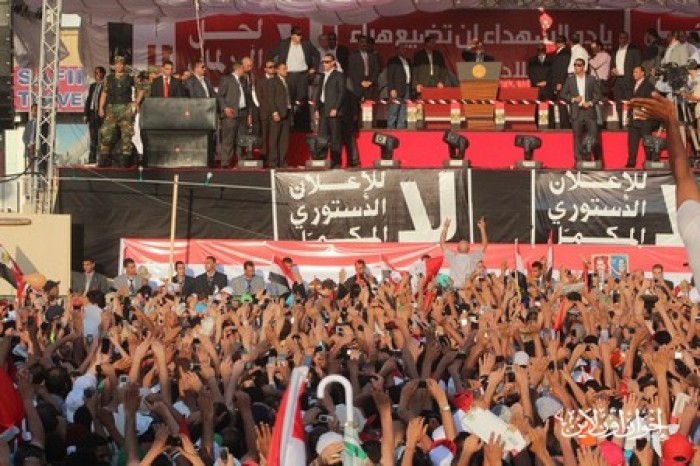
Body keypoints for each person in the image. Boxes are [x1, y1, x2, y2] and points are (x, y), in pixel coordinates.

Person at [631, 93, 700, 288]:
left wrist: (670, 122)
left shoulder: (695, 230)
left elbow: (683, 176)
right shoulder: (695, 230)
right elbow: (683, 176)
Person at [268, 26, 319, 132]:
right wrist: (276, 68)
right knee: (289, 99)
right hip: (289, 75)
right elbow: (271, 53)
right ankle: (289, 125)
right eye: (297, 35)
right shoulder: (284, 44)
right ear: (292, 36)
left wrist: (314, 68)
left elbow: (317, 54)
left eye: (301, 35)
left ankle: (303, 126)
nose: (300, 37)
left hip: (302, 75)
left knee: (302, 101)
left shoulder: (306, 44)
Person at [98, 56, 142, 168]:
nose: (119, 66)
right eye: (117, 64)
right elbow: (104, 94)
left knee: (126, 136)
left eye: (121, 64)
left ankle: (125, 161)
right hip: (111, 109)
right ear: (114, 66)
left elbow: (141, 90)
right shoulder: (109, 78)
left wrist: (136, 102)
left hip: (125, 109)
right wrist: (101, 108)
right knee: (106, 134)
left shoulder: (130, 78)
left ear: (124, 65)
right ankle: (104, 160)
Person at [562, 58, 602, 163]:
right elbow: (563, 95)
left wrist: (590, 103)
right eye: (575, 65)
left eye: (578, 65)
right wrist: (573, 99)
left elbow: (599, 94)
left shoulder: (591, 79)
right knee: (577, 137)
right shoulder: (570, 80)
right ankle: (578, 161)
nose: (576, 67)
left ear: (584, 67)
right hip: (576, 112)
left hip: (589, 111)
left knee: (594, 136)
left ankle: (597, 159)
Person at [439, 216, 488, 288]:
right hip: (467, 288)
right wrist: (482, 228)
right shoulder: (473, 258)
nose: (463, 242)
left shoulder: (453, 258)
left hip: (456, 288)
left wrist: (445, 228)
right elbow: (484, 245)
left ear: (457, 249)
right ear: (469, 249)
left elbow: (442, 244)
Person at [315, 53, 345, 168]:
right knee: (322, 136)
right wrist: (316, 109)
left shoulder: (339, 75)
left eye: (327, 62)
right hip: (323, 109)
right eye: (323, 62)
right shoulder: (322, 76)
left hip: (333, 110)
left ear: (333, 63)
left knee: (335, 137)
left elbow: (341, 93)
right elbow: (319, 93)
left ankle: (335, 162)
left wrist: (336, 108)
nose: (324, 64)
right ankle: (322, 160)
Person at [217, 61, 249, 168]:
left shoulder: (242, 80)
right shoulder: (226, 79)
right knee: (228, 139)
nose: (244, 71)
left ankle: (240, 160)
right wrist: (225, 108)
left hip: (242, 112)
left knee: (241, 139)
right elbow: (220, 96)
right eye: (243, 68)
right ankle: (225, 163)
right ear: (238, 69)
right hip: (230, 113)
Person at [262, 62, 292, 169]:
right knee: (274, 139)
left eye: (286, 68)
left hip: (286, 112)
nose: (286, 71)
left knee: (284, 139)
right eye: (284, 69)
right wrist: (274, 112)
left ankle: (282, 161)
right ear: (277, 70)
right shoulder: (272, 81)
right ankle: (273, 162)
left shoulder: (287, 81)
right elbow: (270, 98)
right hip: (277, 113)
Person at [626, 66, 657, 168]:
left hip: (644, 119)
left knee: (647, 142)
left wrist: (644, 112)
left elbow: (651, 101)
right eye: (633, 72)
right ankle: (631, 162)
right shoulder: (633, 84)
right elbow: (631, 101)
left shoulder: (648, 85)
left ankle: (649, 161)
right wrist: (629, 115)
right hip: (633, 118)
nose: (634, 74)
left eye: (636, 72)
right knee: (632, 142)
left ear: (642, 73)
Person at [611, 32, 642, 127]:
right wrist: (612, 69)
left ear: (628, 39)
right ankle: (620, 123)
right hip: (617, 79)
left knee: (630, 102)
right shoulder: (615, 50)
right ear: (618, 39)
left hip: (628, 79)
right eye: (621, 38)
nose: (623, 39)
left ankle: (630, 122)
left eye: (625, 38)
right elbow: (612, 64)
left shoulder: (634, 50)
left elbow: (638, 64)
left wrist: (636, 78)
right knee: (618, 103)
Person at [386, 43, 414, 130]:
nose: (404, 50)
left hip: (407, 87)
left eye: (405, 49)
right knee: (394, 109)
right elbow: (390, 76)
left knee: (404, 109)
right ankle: (390, 128)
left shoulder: (408, 61)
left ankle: (400, 128)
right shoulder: (393, 60)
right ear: (397, 50)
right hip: (396, 88)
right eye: (402, 49)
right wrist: (392, 89)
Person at [84, 66, 106, 164]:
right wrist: (86, 114)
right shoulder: (92, 86)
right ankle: (92, 158)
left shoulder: (106, 85)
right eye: (95, 73)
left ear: (103, 74)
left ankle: (102, 158)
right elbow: (88, 100)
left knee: (103, 136)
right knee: (93, 136)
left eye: (99, 73)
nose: (97, 75)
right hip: (92, 113)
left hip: (102, 113)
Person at [347, 35, 380, 102]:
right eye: (362, 42)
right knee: (357, 106)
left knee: (370, 106)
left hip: (371, 86)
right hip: (358, 86)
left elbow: (376, 70)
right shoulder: (352, 57)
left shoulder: (373, 56)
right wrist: (361, 82)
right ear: (358, 43)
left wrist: (370, 81)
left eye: (366, 42)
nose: (364, 44)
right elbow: (351, 71)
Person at [549, 35, 571, 129]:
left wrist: (560, 82)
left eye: (558, 42)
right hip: (554, 81)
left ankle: (565, 125)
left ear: (563, 43)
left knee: (562, 104)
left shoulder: (565, 52)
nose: (557, 44)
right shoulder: (557, 52)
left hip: (560, 82)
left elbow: (563, 69)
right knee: (557, 103)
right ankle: (558, 124)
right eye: (557, 42)